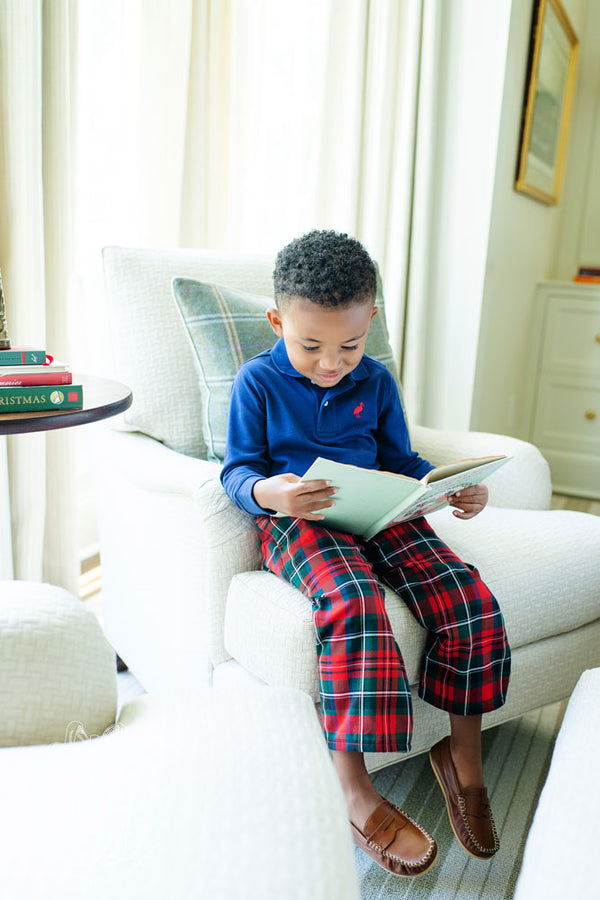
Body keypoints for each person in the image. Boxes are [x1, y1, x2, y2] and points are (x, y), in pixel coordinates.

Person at [220, 230, 511, 877]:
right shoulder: (258, 383)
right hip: (303, 523)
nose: (331, 364)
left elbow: (401, 459)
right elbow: (238, 472)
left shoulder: (374, 381)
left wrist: (449, 487)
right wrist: (275, 491)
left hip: (379, 511)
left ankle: (462, 757)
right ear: (277, 321)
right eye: (311, 347)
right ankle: (351, 788)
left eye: (349, 346)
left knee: (466, 595)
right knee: (354, 602)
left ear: (370, 322)